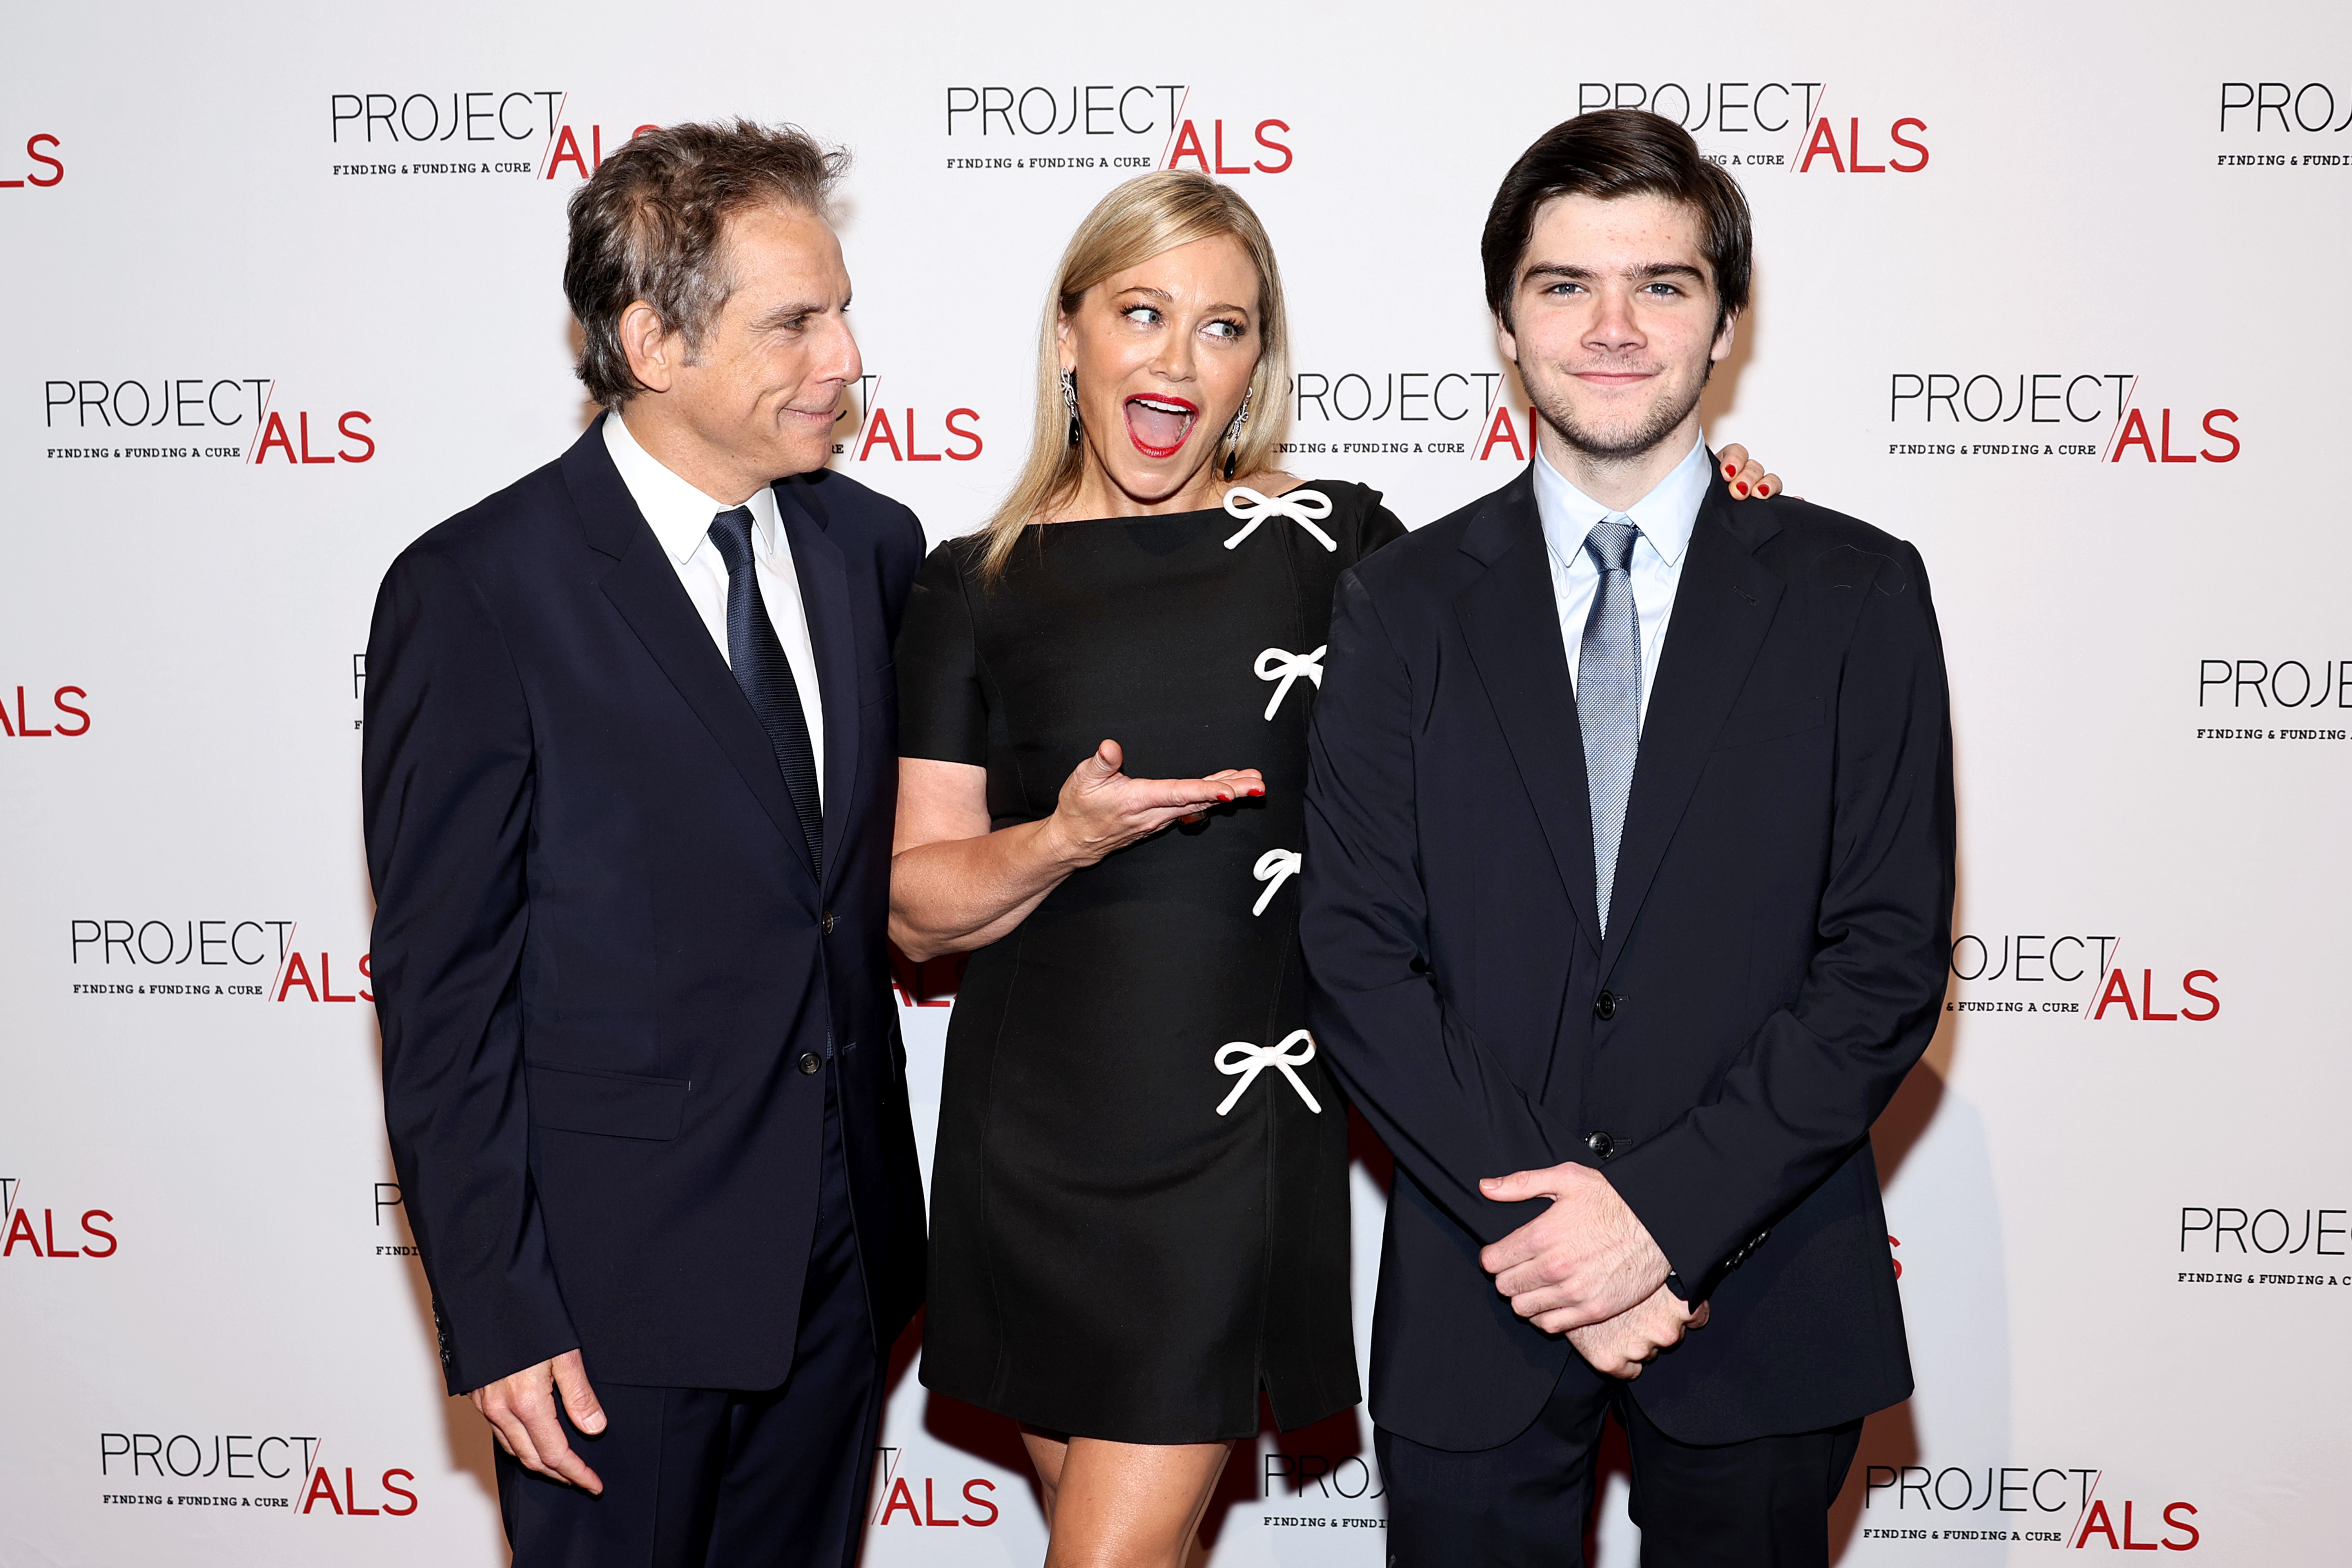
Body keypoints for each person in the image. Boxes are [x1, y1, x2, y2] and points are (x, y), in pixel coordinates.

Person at [888, 170, 1780, 1567]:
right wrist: (1064, 835)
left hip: (1235, 1142)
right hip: (1030, 1146)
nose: (1178, 357)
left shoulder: (1339, 549)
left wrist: (1708, 537)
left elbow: (1537, 617)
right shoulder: (969, 580)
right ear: (1070, 334)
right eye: (1141, 312)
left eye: (1224, 326)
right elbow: (915, 898)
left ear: (1258, 361)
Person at [1299, 108, 1955, 1567]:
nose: (1612, 326)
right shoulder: (1397, 605)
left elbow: (1885, 964)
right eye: (1563, 285)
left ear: (1725, 320)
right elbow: (1354, 953)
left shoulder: (1859, 593)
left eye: (1660, 283)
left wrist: (1657, 1219)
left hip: (1765, 1281)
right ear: (1505, 321)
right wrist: (1568, 1249)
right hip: (1486, 1285)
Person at [363, 121, 926, 1568]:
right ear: (652, 341)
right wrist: (498, 1311)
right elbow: (445, 1001)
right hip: (608, 1304)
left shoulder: (874, 549)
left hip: (842, 1266)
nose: (847, 356)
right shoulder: (478, 592)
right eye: (797, 321)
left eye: (844, 308)